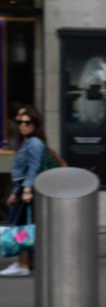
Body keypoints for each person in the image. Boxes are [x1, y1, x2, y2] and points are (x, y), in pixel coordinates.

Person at [3, 105, 48, 277]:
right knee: (21, 227)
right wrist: (15, 192)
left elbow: (33, 167)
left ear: (35, 125)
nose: (22, 125)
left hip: (29, 189)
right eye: (20, 122)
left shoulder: (35, 143)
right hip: (22, 187)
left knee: (23, 228)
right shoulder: (26, 143)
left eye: (27, 122)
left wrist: (27, 189)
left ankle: (22, 264)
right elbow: (21, 175)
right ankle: (23, 262)